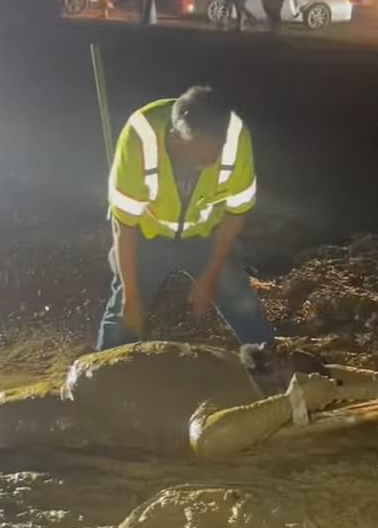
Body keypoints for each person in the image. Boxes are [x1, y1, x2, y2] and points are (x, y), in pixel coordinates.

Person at [97, 86, 275, 351]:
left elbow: (236, 214)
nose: (214, 158)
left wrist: (211, 274)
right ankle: (101, 380)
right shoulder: (139, 138)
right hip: (147, 237)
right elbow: (124, 225)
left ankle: (275, 368)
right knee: (124, 311)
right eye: (204, 152)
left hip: (204, 236)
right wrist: (132, 297)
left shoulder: (236, 138)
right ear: (177, 138)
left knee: (240, 300)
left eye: (218, 148)